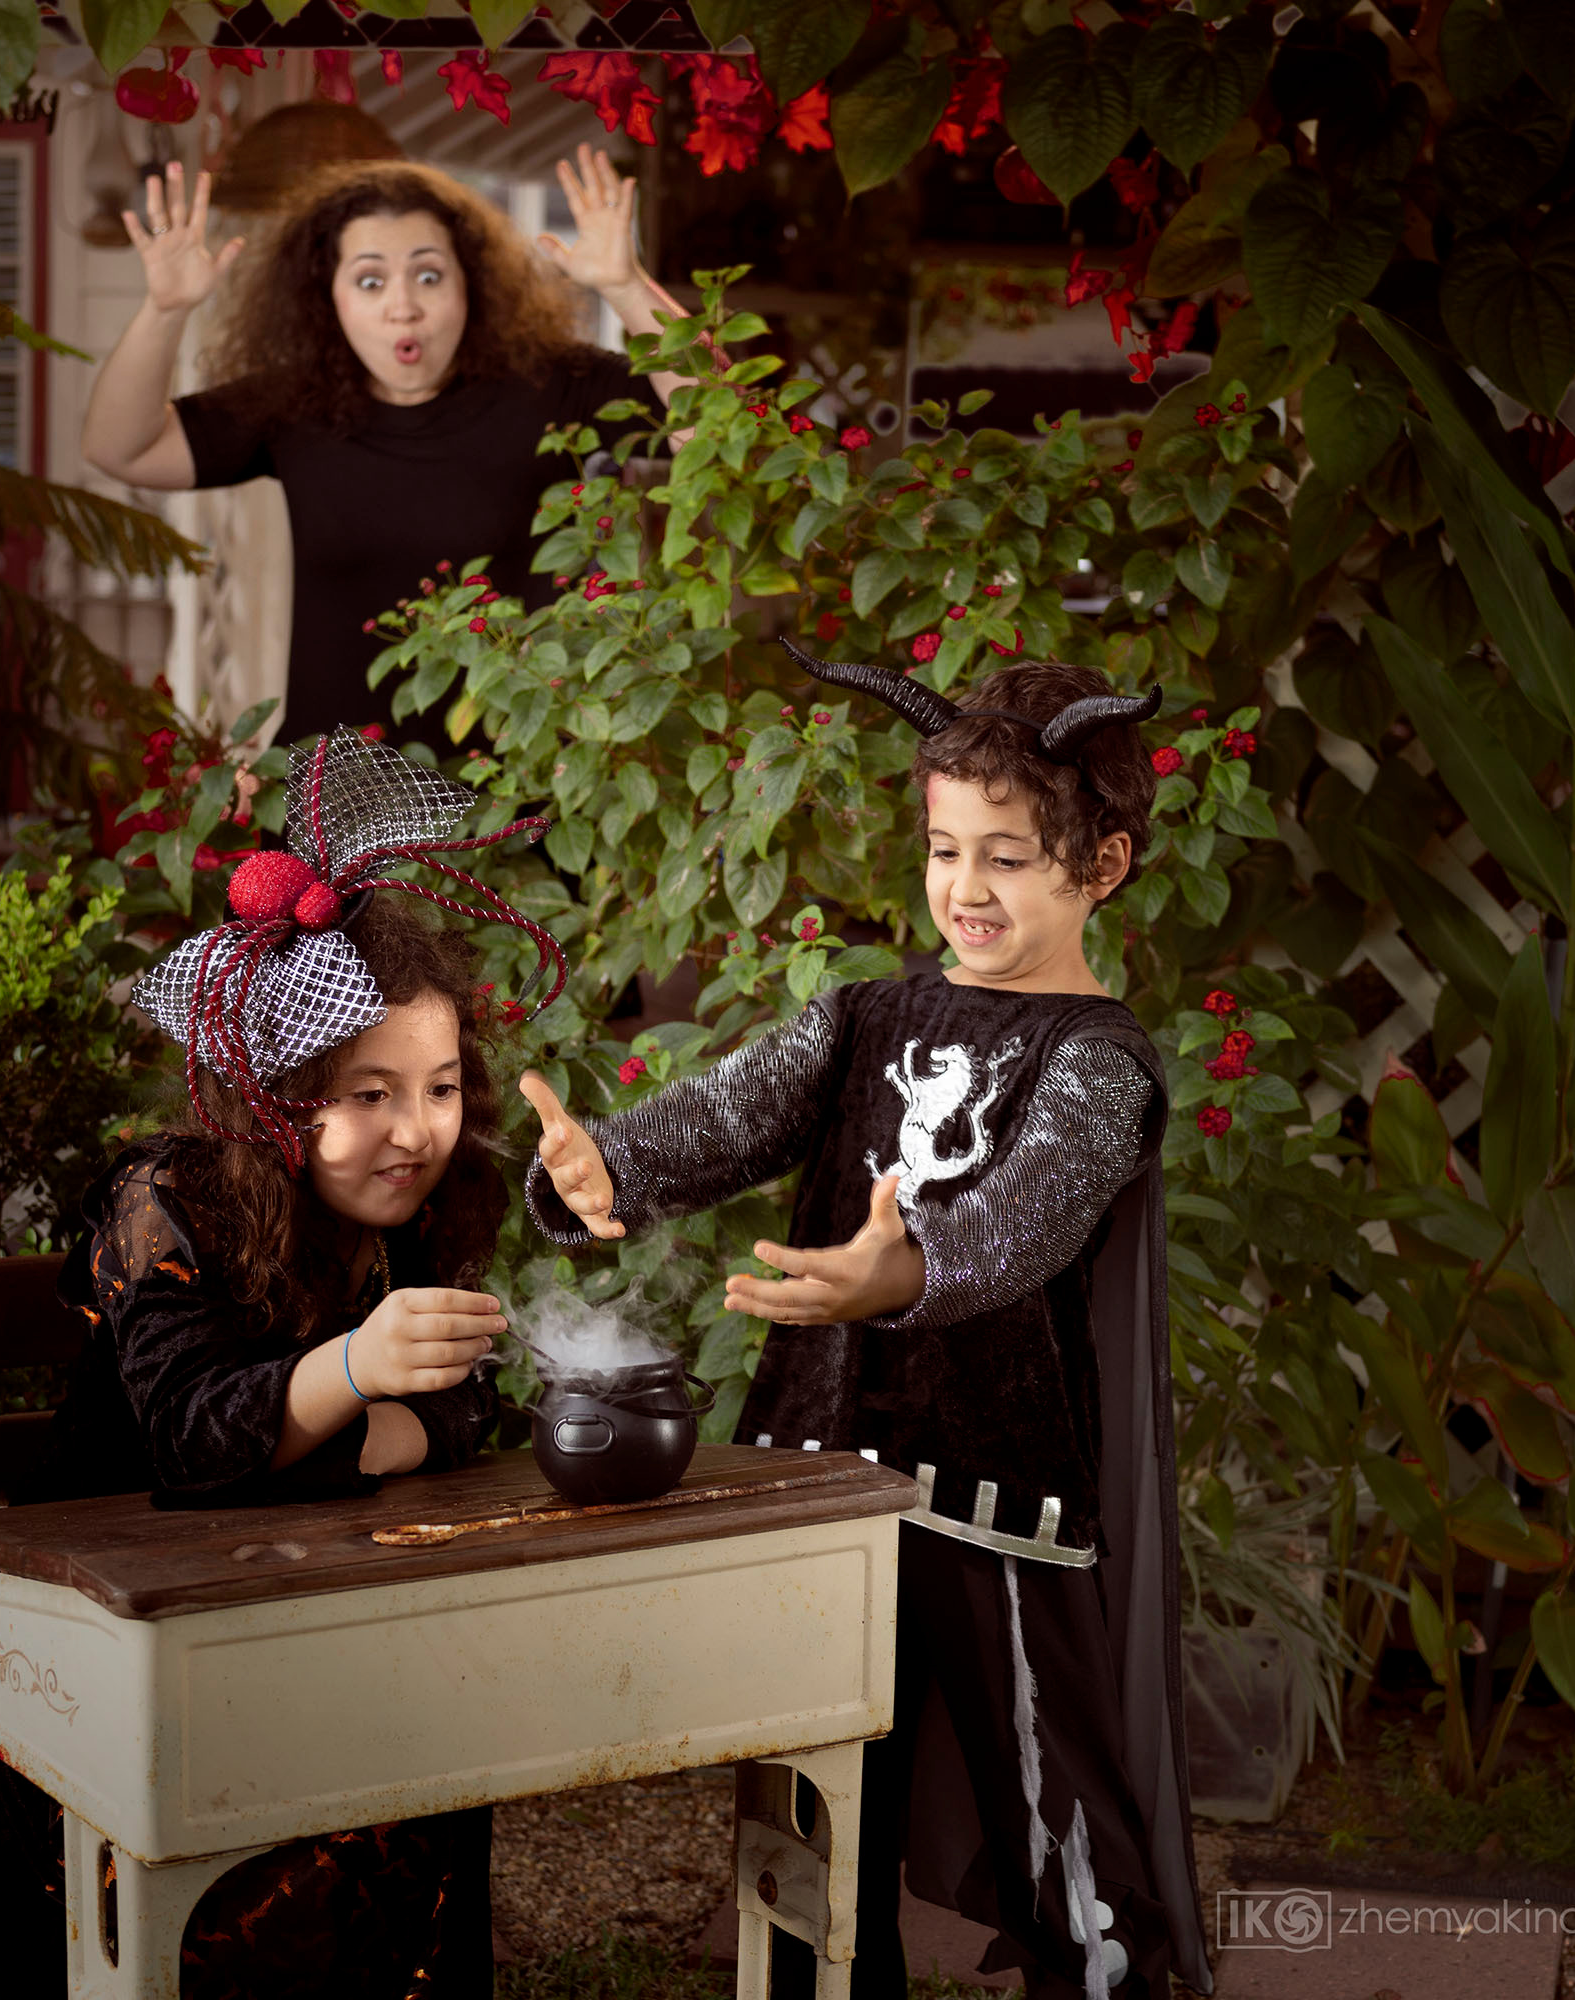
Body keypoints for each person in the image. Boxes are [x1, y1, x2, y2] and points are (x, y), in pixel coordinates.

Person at [518, 647, 1214, 2000]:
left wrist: (901, 1276)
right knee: (809, 1788)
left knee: (1045, 1784)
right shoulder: (864, 1015)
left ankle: (1107, 1984)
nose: (963, 888)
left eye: (1007, 858)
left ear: (1102, 868)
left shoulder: (1100, 1064)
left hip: (994, 1485)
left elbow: (1029, 1219)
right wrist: (608, 1165)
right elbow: (729, 1112)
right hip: (823, 1469)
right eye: (945, 848)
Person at [0, 728, 570, 2000]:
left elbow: (473, 1402)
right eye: (365, 1092)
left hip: (295, 1611)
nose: (413, 1130)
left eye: (439, 1086)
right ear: (275, 1091)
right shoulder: (165, 1199)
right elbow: (190, 1444)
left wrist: (378, 1416)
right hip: (100, 1648)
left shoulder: (415, 1203)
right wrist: (360, 1370)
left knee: (425, 1748)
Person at [81, 146, 692, 748]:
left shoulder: (553, 386)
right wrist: (164, 310)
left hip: (515, 794)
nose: (403, 307)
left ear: (469, 285)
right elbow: (121, 450)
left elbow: (714, 427)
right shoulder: (294, 404)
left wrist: (627, 286)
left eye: (429, 276)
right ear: (330, 300)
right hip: (340, 799)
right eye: (370, 281)